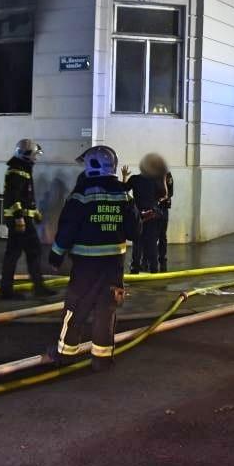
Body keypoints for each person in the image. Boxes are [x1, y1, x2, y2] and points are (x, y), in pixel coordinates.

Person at [46, 145, 139, 371]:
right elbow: (134, 232)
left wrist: (55, 256)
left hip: (86, 265)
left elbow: (67, 229)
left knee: (76, 306)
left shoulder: (81, 194)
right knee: (106, 309)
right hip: (114, 265)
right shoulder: (123, 194)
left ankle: (65, 354)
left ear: (92, 165)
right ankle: (102, 359)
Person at [0, 139, 50, 299]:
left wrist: (34, 212)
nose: (36, 158)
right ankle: (9, 291)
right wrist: (19, 218)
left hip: (22, 220)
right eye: (35, 155)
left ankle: (36, 287)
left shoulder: (22, 169)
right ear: (27, 154)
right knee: (21, 253)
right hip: (19, 222)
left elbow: (24, 197)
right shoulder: (17, 171)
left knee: (27, 252)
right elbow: (13, 197)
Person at [121, 154, 167, 273]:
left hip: (139, 216)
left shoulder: (134, 179)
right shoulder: (155, 180)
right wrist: (163, 177)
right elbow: (163, 195)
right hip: (152, 214)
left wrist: (124, 176)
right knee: (151, 242)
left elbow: (123, 190)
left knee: (138, 242)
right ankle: (153, 269)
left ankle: (135, 268)